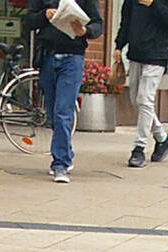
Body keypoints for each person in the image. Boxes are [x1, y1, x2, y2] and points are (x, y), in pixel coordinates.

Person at [31, 0, 103, 183]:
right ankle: (66, 153)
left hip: (72, 58)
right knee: (53, 113)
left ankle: (60, 164)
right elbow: (29, 20)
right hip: (47, 56)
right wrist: (44, 15)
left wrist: (85, 31)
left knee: (63, 111)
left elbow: (97, 24)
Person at [116, 0, 168, 169]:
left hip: (157, 55)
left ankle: (139, 148)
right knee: (135, 100)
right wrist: (118, 46)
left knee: (144, 99)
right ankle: (163, 138)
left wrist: (153, 4)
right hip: (136, 53)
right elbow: (126, 21)